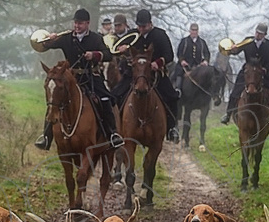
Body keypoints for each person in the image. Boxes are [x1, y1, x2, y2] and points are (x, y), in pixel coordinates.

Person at [34, 8, 123, 150]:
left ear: (87, 23)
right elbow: (46, 45)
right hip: (71, 78)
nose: (77, 26)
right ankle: (46, 136)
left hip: (91, 77)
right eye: (75, 23)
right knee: (54, 100)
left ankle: (112, 134)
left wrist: (94, 55)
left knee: (105, 99)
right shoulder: (66, 37)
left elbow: (108, 55)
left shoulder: (95, 38)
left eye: (80, 23)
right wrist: (49, 40)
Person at [122, 9, 181, 143]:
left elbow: (169, 55)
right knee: (116, 95)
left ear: (150, 24)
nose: (141, 29)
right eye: (139, 26)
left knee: (172, 97)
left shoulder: (160, 35)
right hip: (134, 76)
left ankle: (172, 128)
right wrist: (123, 49)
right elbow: (118, 48)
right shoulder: (132, 35)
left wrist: (158, 62)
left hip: (155, 76)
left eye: (144, 26)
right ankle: (115, 129)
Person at [220, 22, 269, 127]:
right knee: (236, 90)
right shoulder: (248, 41)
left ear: (265, 35)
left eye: (260, 34)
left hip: (263, 71)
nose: (258, 35)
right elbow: (237, 51)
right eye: (257, 32)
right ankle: (227, 114)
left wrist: (265, 69)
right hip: (248, 71)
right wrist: (233, 49)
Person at [107, 13, 134, 106]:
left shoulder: (132, 36)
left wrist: (127, 49)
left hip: (129, 66)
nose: (117, 28)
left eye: (119, 25)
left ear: (125, 25)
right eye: (115, 25)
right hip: (115, 65)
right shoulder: (111, 37)